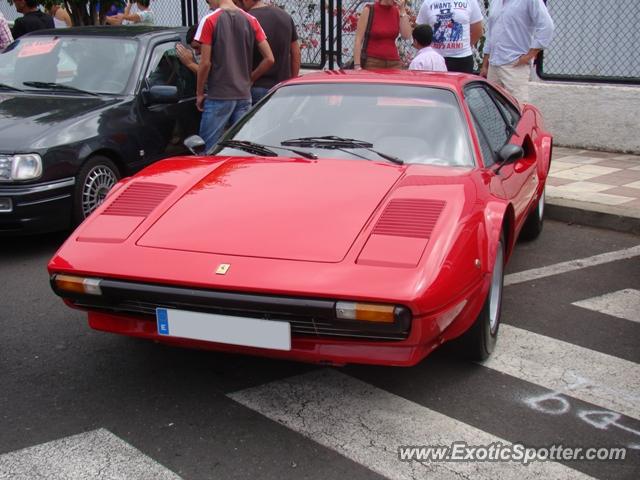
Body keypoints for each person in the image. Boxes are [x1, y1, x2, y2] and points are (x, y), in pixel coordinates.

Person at [194, 0, 275, 150]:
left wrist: (199, 93)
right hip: (244, 95)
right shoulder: (251, 20)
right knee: (242, 148)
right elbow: (269, 58)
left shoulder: (210, 19)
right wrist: (250, 79)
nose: (209, 6)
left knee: (207, 149)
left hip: (219, 94)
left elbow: (205, 63)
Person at [480, 0, 554, 102]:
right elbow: (491, 33)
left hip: (515, 66)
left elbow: (547, 27)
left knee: (518, 108)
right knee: (493, 108)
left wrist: (529, 56)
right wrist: (485, 65)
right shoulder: (495, 2)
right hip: (494, 64)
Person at [237, 0, 301, 105]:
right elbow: (296, 52)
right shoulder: (285, 16)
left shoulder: (246, 20)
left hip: (255, 87)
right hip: (282, 87)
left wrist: (248, 80)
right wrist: (292, 81)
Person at [416, 0, 483, 73]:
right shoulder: (428, 3)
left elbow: (478, 31)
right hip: (435, 59)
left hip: (462, 58)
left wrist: (464, 46)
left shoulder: (470, 2)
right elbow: (420, 32)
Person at [353, 0, 412, 70]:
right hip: (372, 61)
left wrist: (402, 10)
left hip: (393, 61)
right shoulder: (369, 10)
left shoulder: (396, 11)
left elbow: (406, 35)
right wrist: (357, 65)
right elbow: (358, 39)